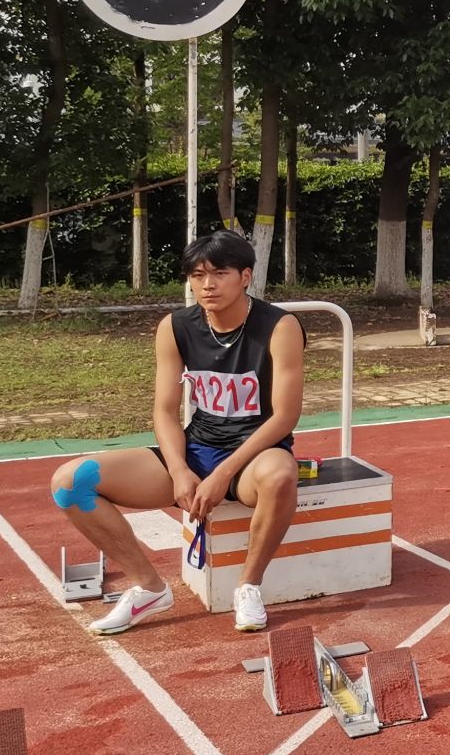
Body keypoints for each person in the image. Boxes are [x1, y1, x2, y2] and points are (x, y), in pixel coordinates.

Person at [51, 229, 303, 637]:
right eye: (197, 275)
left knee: (281, 475)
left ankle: (248, 586)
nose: (207, 285)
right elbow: (165, 411)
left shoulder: (279, 326)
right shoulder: (175, 326)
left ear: (245, 276)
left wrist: (223, 474)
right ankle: (148, 588)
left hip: (255, 454)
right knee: (70, 482)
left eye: (219, 273)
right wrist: (180, 469)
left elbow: (285, 417)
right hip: (198, 446)